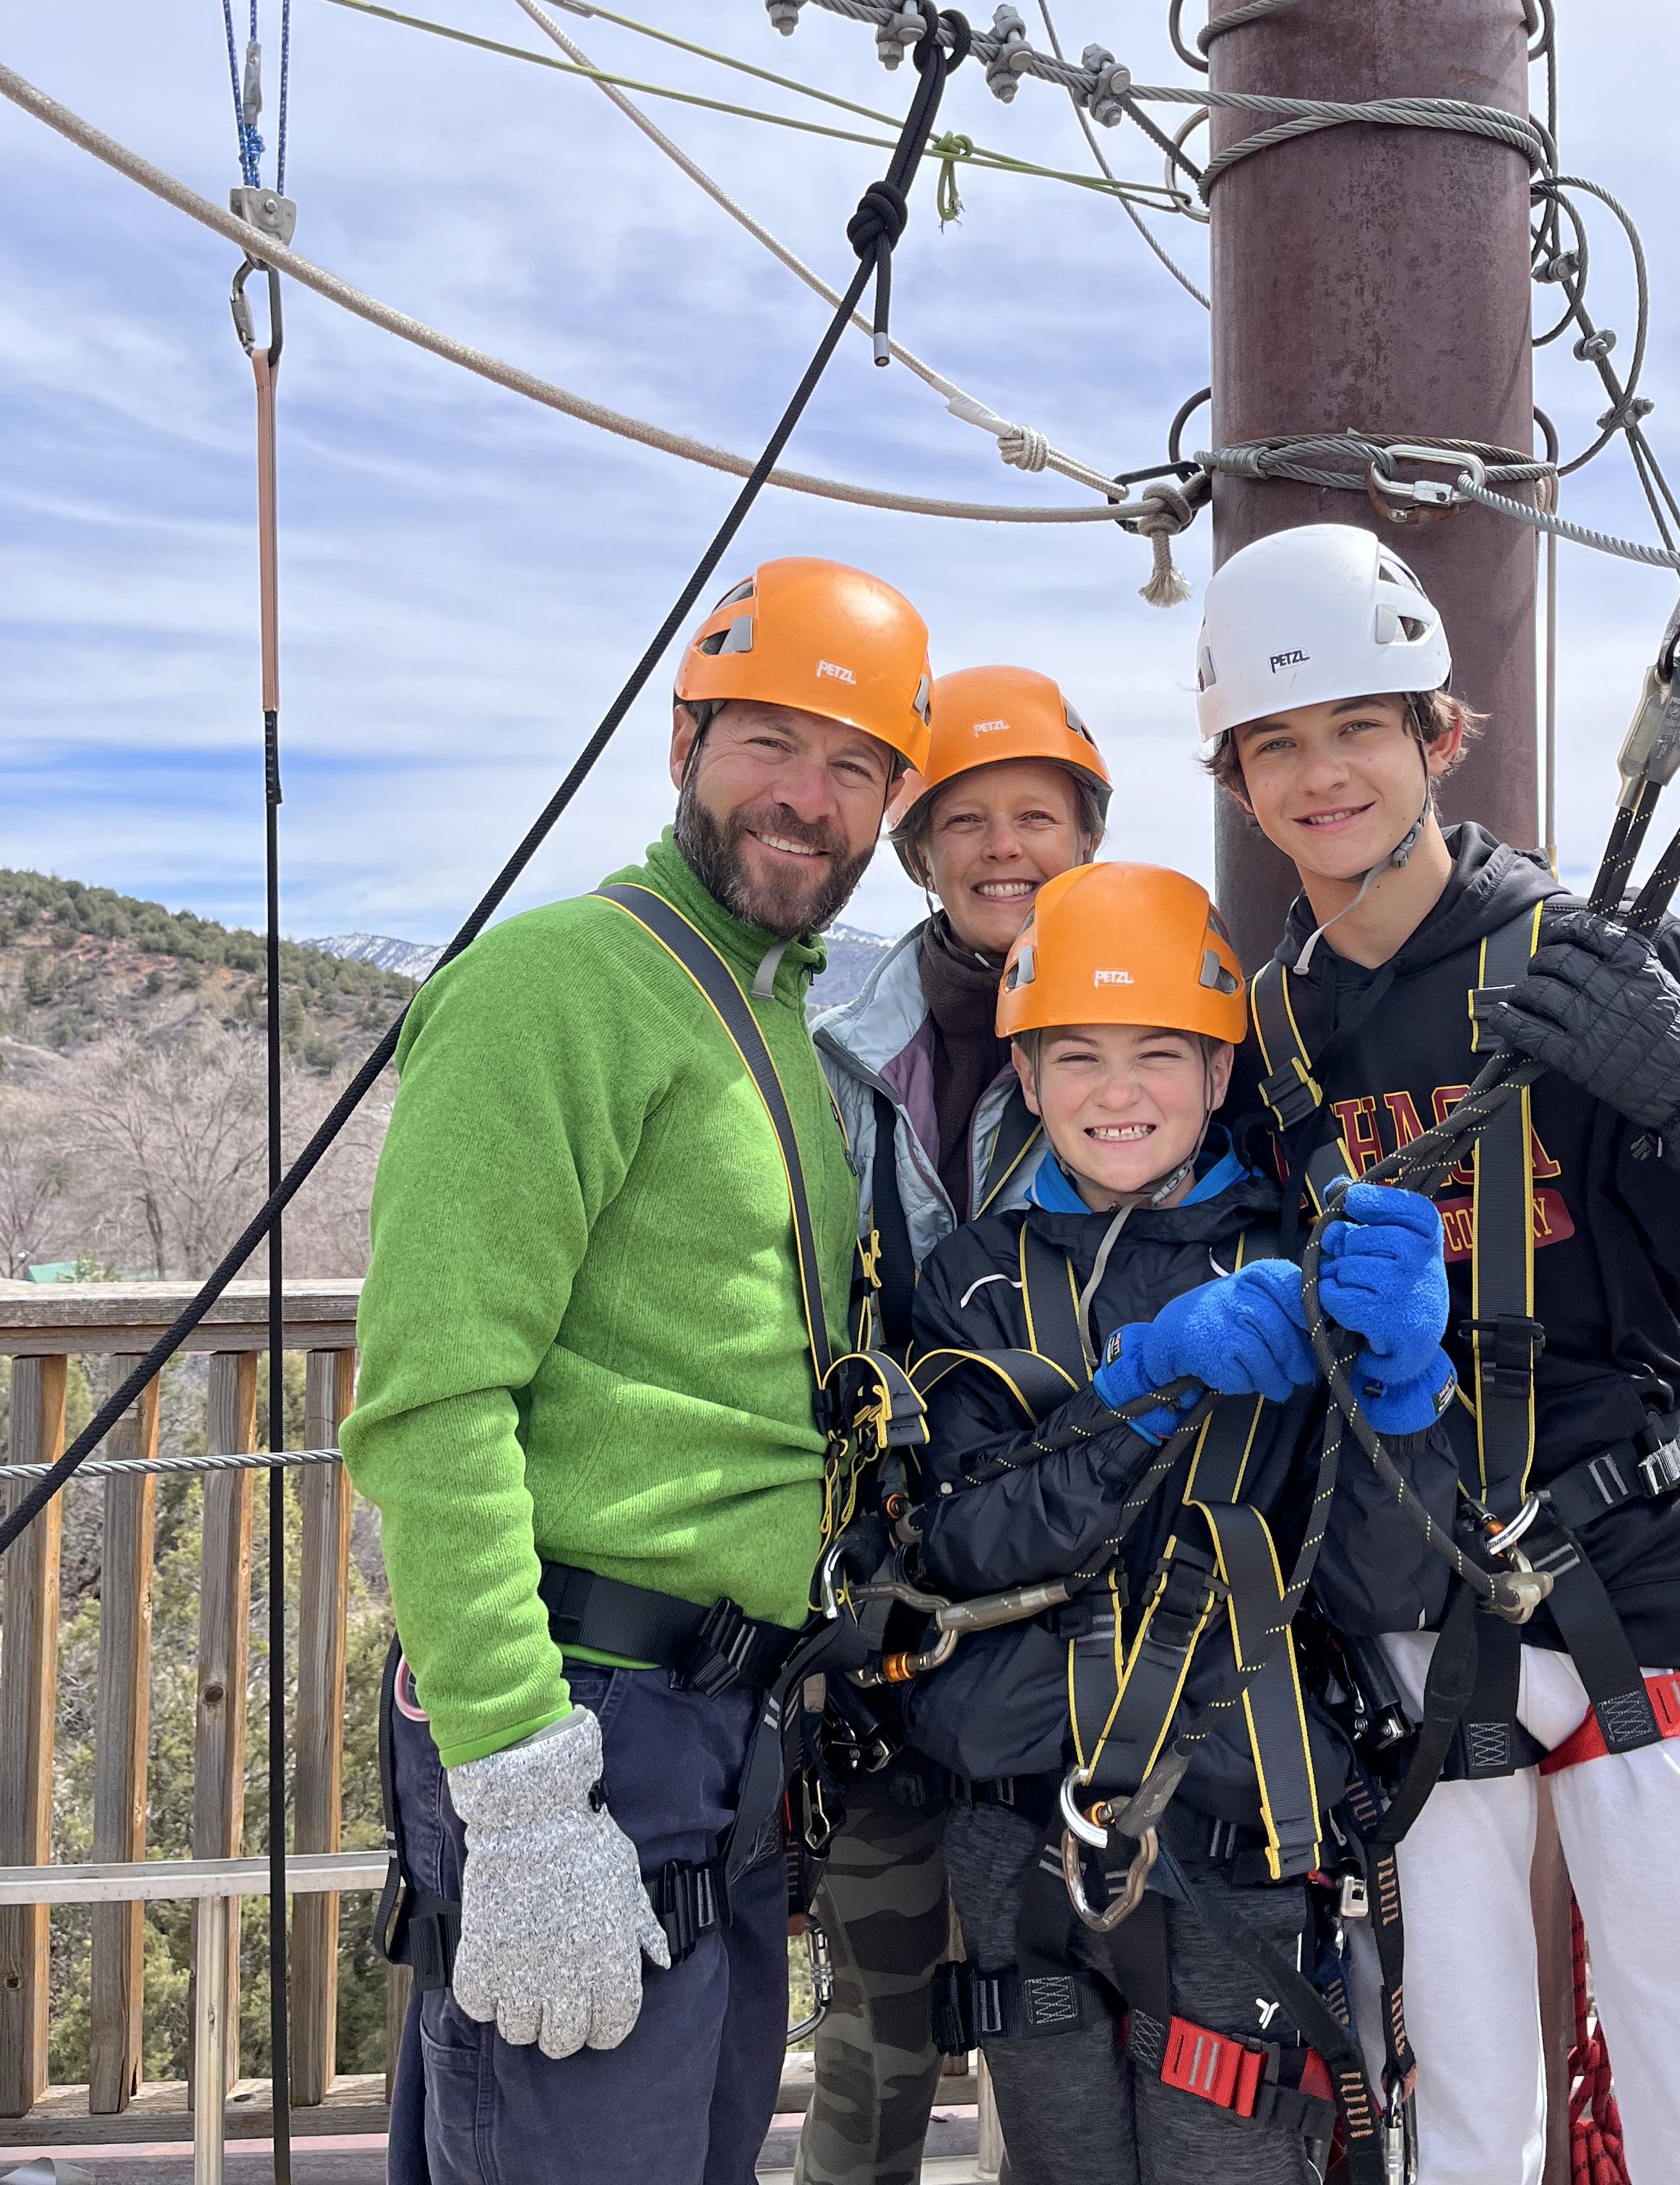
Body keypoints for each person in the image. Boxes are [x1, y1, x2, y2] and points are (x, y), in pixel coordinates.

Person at [1196, 522, 1680, 2185]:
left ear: (1438, 735)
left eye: (1360, 725)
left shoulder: (1597, 972)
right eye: (1277, 743)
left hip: (1639, 1592)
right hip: (1413, 1614)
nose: (1322, 775)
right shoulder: (1274, 1041)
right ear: (1237, 774)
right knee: (1461, 2134)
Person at [344, 556, 934, 2185]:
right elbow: (430, 1405)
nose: (807, 800)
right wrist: (522, 1793)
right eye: (769, 742)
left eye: (856, 765)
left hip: (721, 1731)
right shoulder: (557, 991)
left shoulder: (772, 1030)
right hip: (580, 1718)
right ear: (684, 741)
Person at [898, 861, 1470, 2185]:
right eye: (1077, 1056)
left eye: (1161, 1053)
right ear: (1026, 1080)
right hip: (1019, 1819)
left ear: (1221, 1078)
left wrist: (1397, 1395)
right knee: (1063, 2157)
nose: (1118, 1092)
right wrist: (1136, 1396)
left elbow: (1382, 1582)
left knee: (1232, 2156)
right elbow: (961, 1543)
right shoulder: (972, 1286)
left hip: (1233, 1816)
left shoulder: (1302, 1263)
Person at [798, 665, 1110, 2185]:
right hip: (889, 1604)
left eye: (1035, 817)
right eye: (965, 820)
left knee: (1072, 2021)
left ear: (1086, 836)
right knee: (876, 2031)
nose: (1003, 849)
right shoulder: (835, 1044)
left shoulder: (1159, 1028)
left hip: (1086, 1607)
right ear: (917, 850)